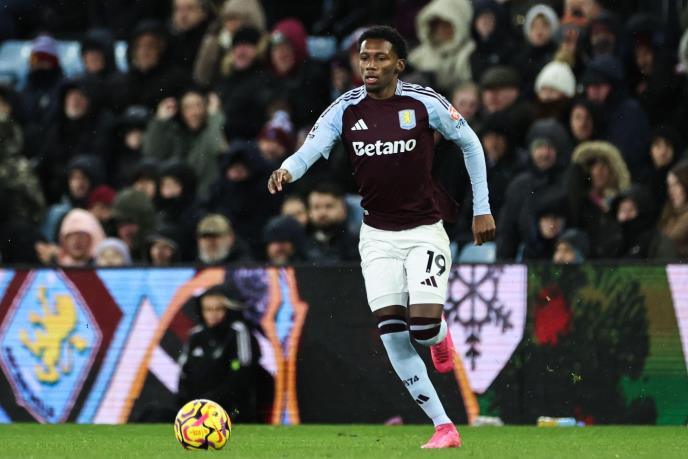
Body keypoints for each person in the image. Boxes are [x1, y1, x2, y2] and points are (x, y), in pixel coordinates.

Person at [267, 26, 495, 449]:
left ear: (399, 65)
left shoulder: (424, 103)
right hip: (376, 238)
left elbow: (471, 143)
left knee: (423, 327)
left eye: (380, 58)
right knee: (392, 332)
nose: (370, 65)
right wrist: (286, 170)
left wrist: (482, 207)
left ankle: (439, 334)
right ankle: (444, 426)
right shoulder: (345, 108)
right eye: (364, 58)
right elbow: (311, 148)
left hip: (424, 232)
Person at [178, 283, 261, 422]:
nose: (213, 314)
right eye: (208, 309)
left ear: (227, 309)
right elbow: (184, 373)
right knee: (154, 413)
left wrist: (213, 399)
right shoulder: (196, 335)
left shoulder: (237, 332)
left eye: (219, 309)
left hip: (229, 408)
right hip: (196, 408)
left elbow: (241, 371)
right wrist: (188, 404)